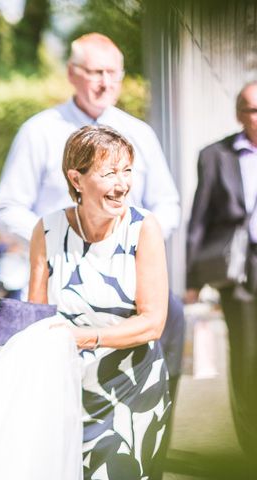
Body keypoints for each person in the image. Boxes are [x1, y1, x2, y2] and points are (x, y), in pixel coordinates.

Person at [0, 32, 184, 456]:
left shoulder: (138, 132)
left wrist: (131, 242)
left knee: (169, 323)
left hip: (132, 271)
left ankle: (149, 438)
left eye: (113, 73)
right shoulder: (38, 131)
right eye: (95, 72)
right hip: (58, 272)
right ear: (72, 75)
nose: (104, 82)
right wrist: (65, 239)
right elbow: (4, 207)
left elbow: (167, 202)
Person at [0, 126, 171, 479]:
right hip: (64, 391)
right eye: (109, 173)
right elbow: (37, 317)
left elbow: (153, 322)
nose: (122, 184)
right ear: (76, 179)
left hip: (130, 388)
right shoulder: (46, 230)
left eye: (127, 171)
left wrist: (82, 337)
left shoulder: (143, 228)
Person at [186, 81, 257, 458]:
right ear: (239, 114)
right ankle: (250, 451)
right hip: (239, 271)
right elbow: (199, 220)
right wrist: (192, 280)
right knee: (246, 361)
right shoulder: (215, 156)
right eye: (252, 110)